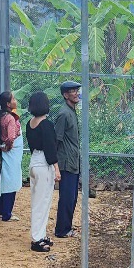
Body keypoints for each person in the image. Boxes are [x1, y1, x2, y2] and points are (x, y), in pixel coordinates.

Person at [25, 91, 58, 253]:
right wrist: (56, 169)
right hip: (44, 164)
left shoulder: (30, 123)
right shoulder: (47, 124)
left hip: (34, 161)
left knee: (39, 200)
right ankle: (37, 239)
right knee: (42, 202)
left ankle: (41, 234)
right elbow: (51, 149)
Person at [0, 91, 23, 222]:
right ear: (8, 104)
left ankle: (1, 210)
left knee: (4, 181)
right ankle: (7, 213)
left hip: (3, 153)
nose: (15, 100)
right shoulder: (10, 118)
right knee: (11, 182)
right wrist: (8, 146)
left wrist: (0, 146)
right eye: (13, 99)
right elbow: (11, 137)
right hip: (11, 153)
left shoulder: (0, 116)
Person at [53, 80, 81, 239]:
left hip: (73, 161)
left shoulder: (71, 111)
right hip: (66, 163)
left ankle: (67, 226)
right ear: (65, 95)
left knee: (72, 197)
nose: (76, 93)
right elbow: (57, 140)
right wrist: (55, 165)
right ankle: (62, 230)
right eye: (72, 91)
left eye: (76, 90)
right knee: (67, 197)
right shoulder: (64, 113)